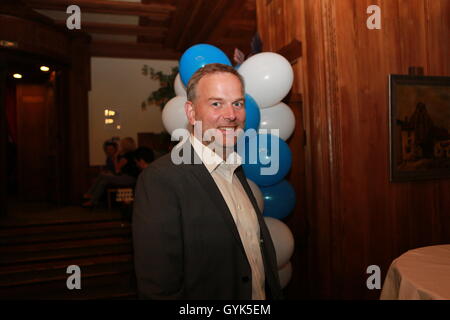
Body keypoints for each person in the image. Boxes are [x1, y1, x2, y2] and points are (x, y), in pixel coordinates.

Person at [132, 63, 282, 300]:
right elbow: (159, 289)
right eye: (216, 103)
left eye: (237, 103)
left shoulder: (235, 170)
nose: (231, 115)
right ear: (191, 113)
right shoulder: (161, 180)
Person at [83, 137, 139, 208]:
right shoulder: (132, 154)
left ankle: (90, 194)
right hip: (128, 178)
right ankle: (92, 201)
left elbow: (117, 170)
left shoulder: (127, 156)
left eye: (122, 144)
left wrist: (115, 157)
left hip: (128, 179)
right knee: (103, 182)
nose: (120, 146)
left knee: (102, 175)